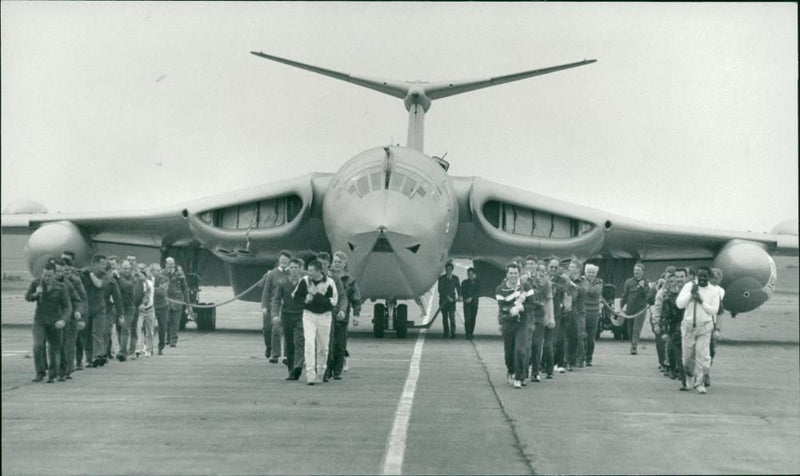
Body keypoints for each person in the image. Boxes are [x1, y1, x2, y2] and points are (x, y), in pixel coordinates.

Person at [292, 259, 338, 385]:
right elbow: (295, 297)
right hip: (309, 315)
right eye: (308, 270)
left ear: (319, 271)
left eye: (311, 270)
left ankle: (321, 372)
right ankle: (310, 374)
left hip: (325, 316)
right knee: (309, 344)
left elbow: (333, 302)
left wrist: (316, 295)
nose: (309, 272)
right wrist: (305, 300)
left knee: (323, 347)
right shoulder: (305, 281)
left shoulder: (330, 283)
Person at [676, 266, 720, 394]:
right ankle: (689, 378)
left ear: (709, 277)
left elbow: (714, 310)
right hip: (689, 326)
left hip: (705, 326)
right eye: (700, 276)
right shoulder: (689, 287)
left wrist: (701, 301)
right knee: (688, 357)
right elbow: (679, 304)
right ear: (696, 276)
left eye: (705, 276)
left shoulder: (713, 291)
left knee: (703, 356)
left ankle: (700, 382)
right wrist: (691, 294)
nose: (702, 278)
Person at [26, 262, 71, 383]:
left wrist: (63, 320)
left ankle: (53, 374)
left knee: (55, 348)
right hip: (40, 320)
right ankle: (40, 372)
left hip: (55, 320)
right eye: (45, 275)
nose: (46, 278)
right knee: (38, 346)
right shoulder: (36, 283)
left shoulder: (61, 287)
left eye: (49, 275)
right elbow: (28, 297)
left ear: (55, 275)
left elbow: (67, 307)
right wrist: (36, 293)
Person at [495, 262, 535, 389]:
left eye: (515, 273)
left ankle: (519, 377)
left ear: (519, 274)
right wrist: (512, 309)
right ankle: (511, 370)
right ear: (507, 274)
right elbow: (502, 308)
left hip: (522, 322)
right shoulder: (500, 289)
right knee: (509, 353)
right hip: (508, 323)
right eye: (511, 273)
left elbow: (532, 304)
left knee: (520, 350)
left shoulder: (526, 286)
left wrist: (521, 307)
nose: (513, 275)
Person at [327, 250, 361, 380]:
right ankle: (327, 369)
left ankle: (337, 370)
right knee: (327, 342)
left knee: (340, 344)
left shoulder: (349, 279)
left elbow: (355, 298)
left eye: (339, 262)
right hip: (327, 312)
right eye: (335, 261)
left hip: (342, 315)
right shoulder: (326, 276)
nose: (336, 264)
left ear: (344, 264)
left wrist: (356, 314)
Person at [272, 258, 305, 380]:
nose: (294, 270)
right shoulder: (282, 282)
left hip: (300, 315)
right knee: (289, 344)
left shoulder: (304, 282)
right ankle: (291, 370)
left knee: (299, 341)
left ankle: (298, 366)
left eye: (296, 267)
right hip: (286, 316)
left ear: (300, 268)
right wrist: (275, 315)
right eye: (291, 267)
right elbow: (276, 300)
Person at [55, 259, 86, 380]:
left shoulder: (73, 282)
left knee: (68, 345)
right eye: (59, 271)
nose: (63, 273)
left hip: (71, 317)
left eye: (65, 270)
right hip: (55, 318)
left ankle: (65, 371)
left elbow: (81, 299)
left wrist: (80, 313)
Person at [261, 250, 292, 363]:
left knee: (286, 330)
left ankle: (285, 355)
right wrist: (264, 305)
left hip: (288, 306)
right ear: (278, 260)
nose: (284, 261)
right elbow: (266, 291)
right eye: (282, 259)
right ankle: (272, 350)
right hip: (273, 305)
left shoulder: (292, 274)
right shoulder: (272, 274)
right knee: (270, 329)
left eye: (286, 260)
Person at [527, 262, 554, 382]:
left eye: (543, 272)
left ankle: (535, 371)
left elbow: (549, 300)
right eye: (539, 271)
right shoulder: (525, 280)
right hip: (527, 314)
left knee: (537, 344)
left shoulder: (546, 283)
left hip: (539, 314)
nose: (541, 274)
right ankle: (524, 368)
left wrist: (551, 317)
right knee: (526, 344)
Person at [660, 268, 687, 381]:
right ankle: (672, 368)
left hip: (689, 326)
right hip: (675, 327)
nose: (679, 279)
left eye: (682, 277)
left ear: (686, 278)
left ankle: (683, 374)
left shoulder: (691, 293)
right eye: (677, 277)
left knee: (686, 353)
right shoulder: (670, 296)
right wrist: (664, 331)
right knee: (672, 351)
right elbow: (665, 315)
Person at [620, 262, 651, 355]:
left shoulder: (646, 282)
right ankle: (632, 343)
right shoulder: (629, 282)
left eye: (638, 270)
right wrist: (620, 306)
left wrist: (642, 288)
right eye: (635, 270)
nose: (636, 272)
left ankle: (634, 346)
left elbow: (648, 295)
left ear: (642, 272)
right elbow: (625, 295)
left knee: (636, 328)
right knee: (630, 329)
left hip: (641, 309)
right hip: (630, 308)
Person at [546, 258, 569, 375]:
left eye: (555, 267)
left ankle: (557, 363)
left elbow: (563, 288)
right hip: (544, 312)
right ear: (548, 267)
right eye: (551, 267)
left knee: (556, 339)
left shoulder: (562, 280)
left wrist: (551, 284)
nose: (553, 269)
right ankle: (545, 364)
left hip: (557, 313)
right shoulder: (543, 277)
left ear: (559, 268)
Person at [650, 268, 675, 374]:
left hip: (675, 321)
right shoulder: (661, 292)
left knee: (673, 344)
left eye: (673, 277)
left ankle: (672, 365)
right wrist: (656, 323)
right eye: (668, 277)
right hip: (663, 320)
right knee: (662, 343)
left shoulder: (680, 290)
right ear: (664, 278)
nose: (671, 279)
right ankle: (664, 363)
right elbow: (657, 308)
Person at [164, 257, 190, 348]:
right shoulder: (162, 273)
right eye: (169, 263)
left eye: (172, 263)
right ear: (166, 264)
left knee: (175, 322)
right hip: (166, 300)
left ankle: (173, 340)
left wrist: (187, 302)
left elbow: (185, 288)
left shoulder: (180, 274)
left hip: (177, 301)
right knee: (166, 321)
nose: (171, 265)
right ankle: (167, 338)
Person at [706, 268, 726, 387]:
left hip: (712, 322)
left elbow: (720, 310)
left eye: (717, 279)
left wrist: (718, 328)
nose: (714, 280)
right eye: (712, 278)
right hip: (700, 321)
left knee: (711, 350)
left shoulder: (720, 292)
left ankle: (706, 372)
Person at [115, 260, 138, 361]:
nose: (126, 270)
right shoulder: (116, 277)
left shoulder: (133, 278)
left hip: (129, 308)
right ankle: (121, 349)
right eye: (124, 268)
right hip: (118, 307)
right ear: (120, 268)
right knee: (119, 330)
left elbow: (128, 287)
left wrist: (118, 278)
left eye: (128, 268)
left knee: (125, 328)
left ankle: (123, 352)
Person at [564, 259, 585, 371]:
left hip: (579, 313)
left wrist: (573, 285)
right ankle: (567, 360)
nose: (569, 269)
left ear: (578, 269)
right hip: (568, 312)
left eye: (572, 267)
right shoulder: (567, 280)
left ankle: (579, 359)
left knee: (577, 336)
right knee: (566, 336)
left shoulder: (582, 282)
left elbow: (583, 291)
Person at [581, 263, 603, 367]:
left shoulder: (599, 282)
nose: (591, 274)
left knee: (591, 336)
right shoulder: (581, 281)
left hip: (594, 312)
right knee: (582, 334)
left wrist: (585, 284)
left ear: (596, 273)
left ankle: (589, 357)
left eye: (593, 272)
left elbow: (593, 291)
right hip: (583, 310)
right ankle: (581, 356)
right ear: (585, 272)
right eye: (589, 272)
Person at [135, 263, 156, 357]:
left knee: (150, 331)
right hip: (139, 310)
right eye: (139, 274)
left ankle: (148, 349)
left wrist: (145, 280)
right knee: (137, 329)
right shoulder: (136, 284)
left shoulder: (149, 283)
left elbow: (148, 293)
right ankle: (138, 348)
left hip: (149, 309)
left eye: (142, 274)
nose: (140, 276)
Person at [437, 261, 461, 338]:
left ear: (452, 270)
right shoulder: (441, 278)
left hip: (452, 301)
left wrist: (460, 295)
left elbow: (458, 288)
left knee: (452, 316)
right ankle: (446, 331)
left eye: (450, 269)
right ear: (446, 269)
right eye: (447, 269)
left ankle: (453, 332)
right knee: (444, 317)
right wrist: (447, 297)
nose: (449, 270)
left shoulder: (455, 278)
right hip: (443, 300)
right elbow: (440, 290)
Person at [151, 263, 169, 355]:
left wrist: (150, 288)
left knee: (162, 327)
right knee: (149, 328)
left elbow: (162, 292)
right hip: (151, 306)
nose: (158, 272)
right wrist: (155, 288)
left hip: (162, 306)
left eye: (159, 270)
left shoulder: (164, 279)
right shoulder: (148, 279)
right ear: (151, 271)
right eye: (156, 270)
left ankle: (160, 347)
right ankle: (149, 347)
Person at [461, 267, 480, 340]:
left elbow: (478, 292)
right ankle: (467, 333)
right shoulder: (464, 282)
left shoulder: (478, 282)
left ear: (474, 274)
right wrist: (465, 298)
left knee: (473, 318)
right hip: (466, 303)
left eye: (471, 274)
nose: (470, 276)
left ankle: (471, 332)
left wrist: (471, 297)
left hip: (474, 303)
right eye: (468, 274)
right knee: (467, 318)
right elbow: (462, 291)